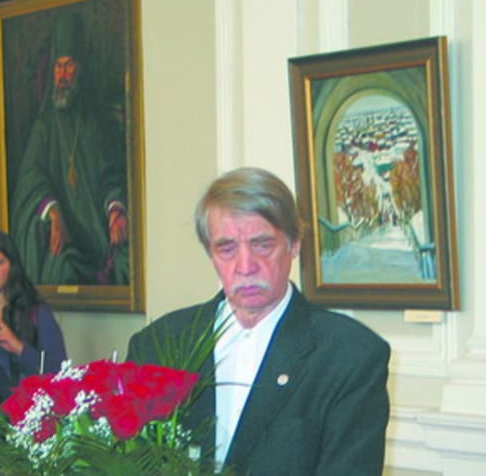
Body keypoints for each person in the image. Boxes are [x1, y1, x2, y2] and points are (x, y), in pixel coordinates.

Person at [127, 167, 391, 475]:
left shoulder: (349, 355)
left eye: (262, 244)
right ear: (210, 253)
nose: (245, 266)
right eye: (226, 248)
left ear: (294, 244)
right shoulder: (158, 343)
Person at [10, 12, 129, 286]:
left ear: (81, 69)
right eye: (58, 66)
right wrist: (53, 211)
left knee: (125, 267)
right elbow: (30, 177)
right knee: (61, 269)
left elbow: (111, 174)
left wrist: (115, 210)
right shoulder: (44, 127)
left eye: (69, 66)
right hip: (64, 240)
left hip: (99, 236)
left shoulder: (97, 123)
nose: (62, 75)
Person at [0, 230, 68, 403]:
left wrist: (17, 347)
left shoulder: (36, 313)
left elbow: (59, 372)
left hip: (23, 410)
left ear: (12, 266)